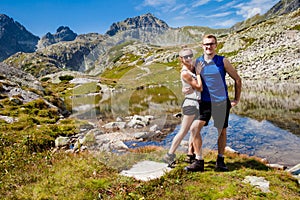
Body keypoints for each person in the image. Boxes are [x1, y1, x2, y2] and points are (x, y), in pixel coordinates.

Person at [184, 34, 242, 171]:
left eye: (211, 44)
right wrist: (190, 88)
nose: (209, 46)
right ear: (202, 46)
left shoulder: (223, 61)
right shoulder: (198, 62)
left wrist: (236, 99)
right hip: (205, 103)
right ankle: (199, 161)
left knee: (221, 131)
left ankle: (220, 161)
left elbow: (237, 80)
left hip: (221, 102)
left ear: (216, 45)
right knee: (194, 128)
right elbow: (195, 81)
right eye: (206, 44)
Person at [163, 47, 205, 172]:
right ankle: (169, 155)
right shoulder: (185, 72)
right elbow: (199, 87)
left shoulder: (192, 68)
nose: (188, 58)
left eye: (190, 55)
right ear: (180, 59)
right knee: (183, 131)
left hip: (196, 103)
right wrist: (198, 74)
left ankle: (191, 155)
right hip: (190, 104)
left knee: (195, 131)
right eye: (185, 57)